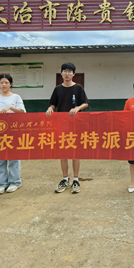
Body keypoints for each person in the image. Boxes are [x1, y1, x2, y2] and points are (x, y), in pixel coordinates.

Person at [46, 62, 89, 194]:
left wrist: (78, 108)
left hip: (76, 125)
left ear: (74, 74)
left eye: (70, 71)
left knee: (75, 153)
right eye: (65, 71)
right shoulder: (58, 89)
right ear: (61, 73)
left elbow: (86, 103)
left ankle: (76, 179)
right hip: (61, 124)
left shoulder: (78, 88)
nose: (67, 73)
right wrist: (50, 109)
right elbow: (53, 104)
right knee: (63, 153)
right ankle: (65, 179)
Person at [0, 74, 26, 195]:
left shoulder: (16, 97)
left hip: (13, 131)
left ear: (10, 84)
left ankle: (15, 182)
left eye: (6, 82)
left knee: (13, 158)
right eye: (1, 82)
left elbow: (22, 112)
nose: (4, 85)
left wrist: (10, 108)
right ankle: (2, 183)